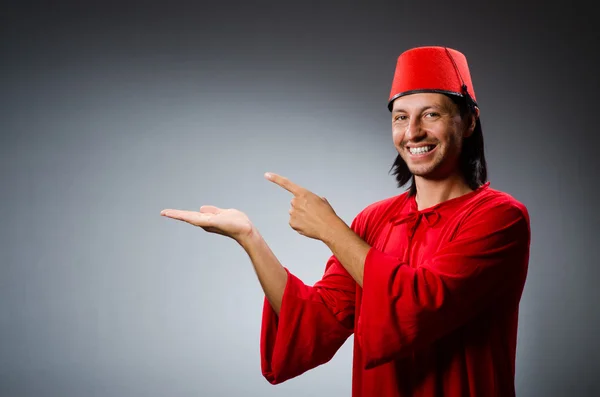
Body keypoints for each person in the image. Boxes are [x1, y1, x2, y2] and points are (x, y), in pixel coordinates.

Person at [160, 46, 531, 397]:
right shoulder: (374, 220)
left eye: (431, 114)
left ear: (468, 122)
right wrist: (250, 238)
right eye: (401, 117)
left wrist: (330, 229)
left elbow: (417, 308)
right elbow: (315, 320)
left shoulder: (499, 218)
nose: (413, 132)